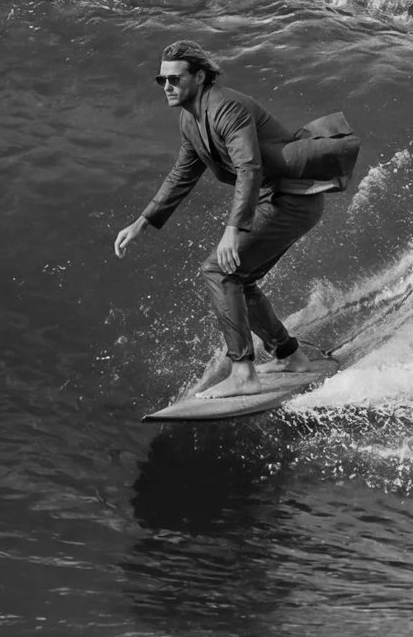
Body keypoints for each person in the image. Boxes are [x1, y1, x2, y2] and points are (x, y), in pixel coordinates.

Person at [112, 42, 342, 397]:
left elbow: (249, 166)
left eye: (175, 78)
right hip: (277, 199)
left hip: (292, 198)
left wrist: (234, 229)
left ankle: (243, 373)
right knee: (239, 280)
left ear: (200, 76)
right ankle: (289, 356)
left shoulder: (226, 107)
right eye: (162, 80)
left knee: (219, 271)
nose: (167, 86)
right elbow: (182, 174)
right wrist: (142, 221)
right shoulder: (190, 119)